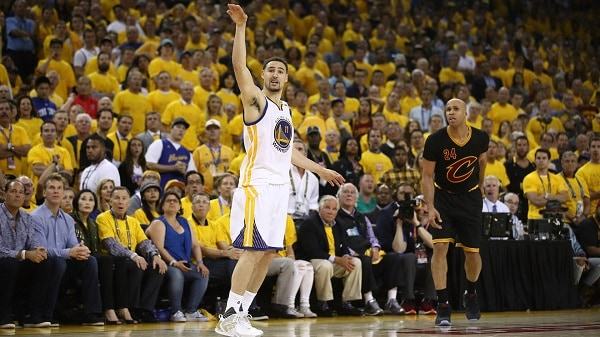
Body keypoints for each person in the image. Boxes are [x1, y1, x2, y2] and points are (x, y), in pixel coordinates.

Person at [216, 5, 344, 337]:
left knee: (269, 252)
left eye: (279, 71)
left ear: (286, 79)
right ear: (263, 77)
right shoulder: (255, 101)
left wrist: (320, 170)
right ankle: (228, 316)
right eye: (270, 70)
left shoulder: (286, 109)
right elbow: (238, 66)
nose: (274, 74)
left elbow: (288, 153)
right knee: (253, 250)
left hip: (278, 189)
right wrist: (242, 27)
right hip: (256, 185)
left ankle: (242, 313)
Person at [421, 98, 489, 326]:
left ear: (465, 113)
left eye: (455, 109)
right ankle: (443, 304)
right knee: (440, 248)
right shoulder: (434, 141)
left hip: (470, 198)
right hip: (443, 199)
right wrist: (430, 207)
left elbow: (482, 161)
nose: (451, 112)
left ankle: (471, 293)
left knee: (472, 252)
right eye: (447, 109)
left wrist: (479, 186)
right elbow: (427, 176)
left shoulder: (481, 137)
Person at [32, 174, 104, 326]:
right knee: (58, 262)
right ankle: (45, 314)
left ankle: (91, 313)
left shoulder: (68, 219)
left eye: (59, 188)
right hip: (41, 265)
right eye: (52, 188)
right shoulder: (36, 217)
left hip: (62, 266)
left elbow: (73, 244)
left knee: (89, 260)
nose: (56, 191)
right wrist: (69, 252)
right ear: (44, 192)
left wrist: (80, 249)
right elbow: (41, 250)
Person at [96, 186, 167, 323]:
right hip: (112, 261)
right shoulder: (102, 218)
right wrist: (134, 255)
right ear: (110, 201)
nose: (120, 202)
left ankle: (145, 310)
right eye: (116, 198)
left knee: (158, 268)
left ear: (129, 203)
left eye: (124, 199)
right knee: (135, 265)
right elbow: (111, 245)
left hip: (133, 258)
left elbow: (144, 243)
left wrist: (155, 256)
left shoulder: (133, 221)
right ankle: (130, 309)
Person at [146, 192, 210, 323]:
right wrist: (174, 263)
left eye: (175, 201)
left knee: (202, 274)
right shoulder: (158, 223)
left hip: (184, 263)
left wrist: (200, 262)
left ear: (180, 206)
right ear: (162, 206)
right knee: (177, 275)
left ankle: (191, 311)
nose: (172, 203)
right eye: (168, 200)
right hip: (166, 264)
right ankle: (176, 311)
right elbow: (160, 248)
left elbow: (195, 245)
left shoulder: (185, 222)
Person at [0, 179, 55, 329]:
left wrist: (38, 250)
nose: (17, 195)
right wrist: (24, 254)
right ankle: (3, 315)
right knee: (9, 264)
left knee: (46, 262)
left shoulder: (27, 218)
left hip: (18, 263)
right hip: (4, 262)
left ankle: (33, 315)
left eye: (21, 193)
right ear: (4, 194)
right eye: (13, 191)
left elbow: (34, 241)